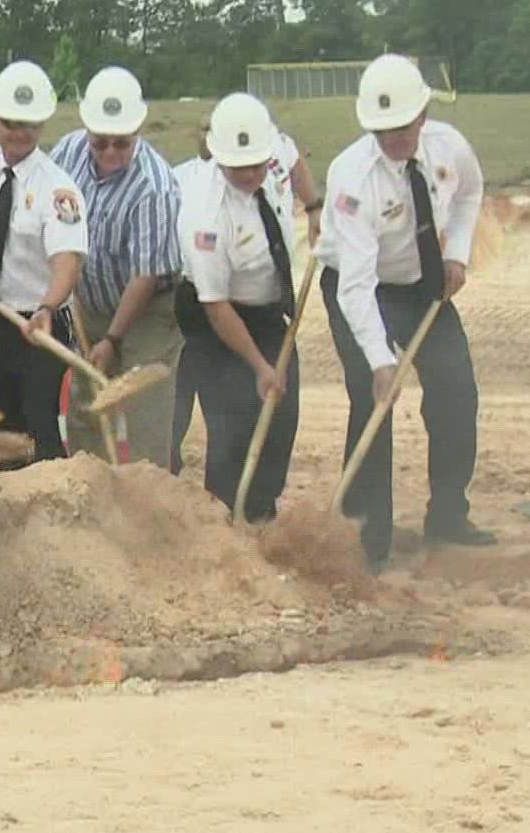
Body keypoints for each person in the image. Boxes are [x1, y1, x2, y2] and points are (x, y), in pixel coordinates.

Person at [315, 53, 491, 570]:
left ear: (422, 115)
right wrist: (379, 360)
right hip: (357, 286)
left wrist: (457, 253)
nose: (392, 138)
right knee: (372, 400)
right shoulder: (351, 176)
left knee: (456, 389)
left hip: (422, 280)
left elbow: (470, 195)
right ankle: (365, 537)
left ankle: (449, 515)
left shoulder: (449, 147)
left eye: (402, 126)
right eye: (381, 129)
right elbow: (356, 285)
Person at [46, 66, 183, 469]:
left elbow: (145, 276)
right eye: (100, 142)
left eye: (120, 144)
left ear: (137, 133)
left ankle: (147, 513)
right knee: (86, 413)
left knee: (144, 419)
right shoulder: (68, 152)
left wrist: (112, 339)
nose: (109, 153)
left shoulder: (155, 188)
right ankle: (93, 504)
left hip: (147, 313)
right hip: (89, 303)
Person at [175, 93, 302, 523]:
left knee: (282, 411)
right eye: (239, 167)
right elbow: (216, 309)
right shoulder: (205, 216)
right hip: (214, 317)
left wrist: (316, 206)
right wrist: (259, 366)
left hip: (268, 309)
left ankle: (262, 512)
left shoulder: (274, 151)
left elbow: (293, 157)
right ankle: (224, 519)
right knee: (233, 418)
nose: (250, 174)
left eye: (257, 165)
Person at [0, 60, 88, 467]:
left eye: (29, 124)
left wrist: (48, 307)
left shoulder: (59, 188)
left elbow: (67, 259)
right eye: (11, 122)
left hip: (40, 329)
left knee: (40, 428)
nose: (19, 132)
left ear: (42, 125)